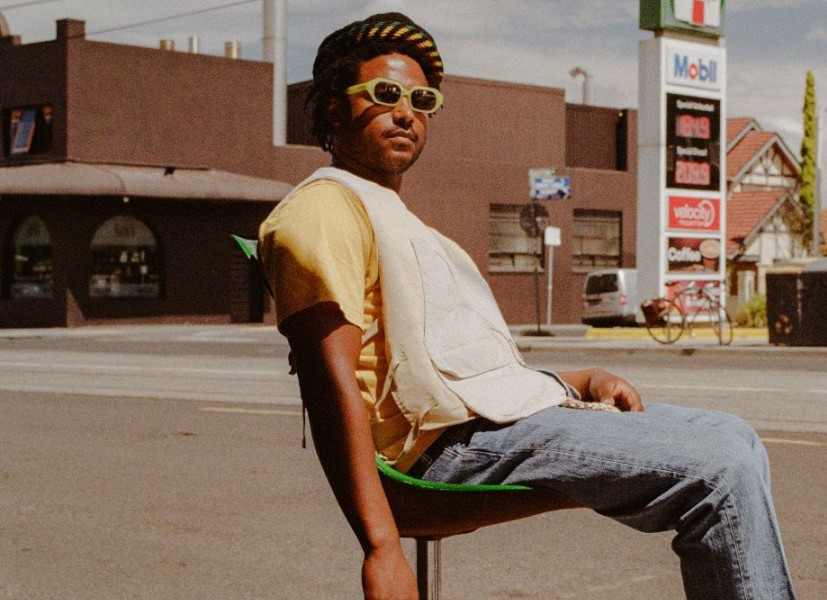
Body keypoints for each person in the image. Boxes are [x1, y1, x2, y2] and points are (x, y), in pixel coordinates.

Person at [259, 12, 796, 600]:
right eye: (386, 94)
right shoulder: (323, 209)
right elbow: (328, 379)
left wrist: (577, 381)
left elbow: (463, 369)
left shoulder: (393, 216)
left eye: (422, 99)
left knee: (734, 435)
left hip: (481, 428)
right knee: (720, 465)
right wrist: (381, 546)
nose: (407, 112)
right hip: (436, 454)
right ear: (335, 110)